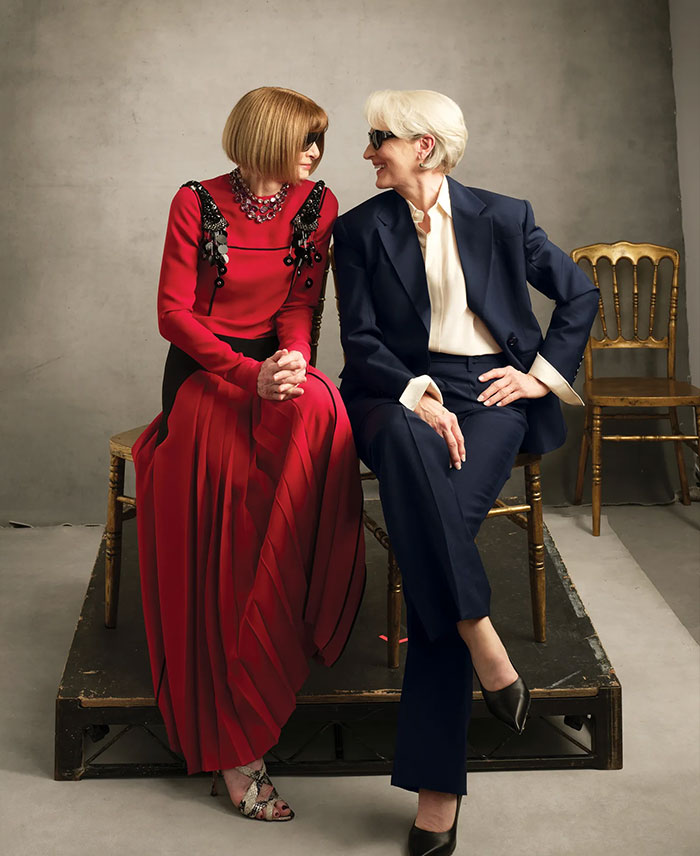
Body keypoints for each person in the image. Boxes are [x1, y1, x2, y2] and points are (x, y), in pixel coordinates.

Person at [333, 89, 599, 855]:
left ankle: (438, 792)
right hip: (392, 392)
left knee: (432, 542)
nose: (367, 151)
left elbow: (578, 293)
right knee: (416, 464)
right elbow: (361, 340)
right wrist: (416, 393)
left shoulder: (504, 216)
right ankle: (484, 641)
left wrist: (539, 377)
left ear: (423, 146)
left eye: (378, 137)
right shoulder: (359, 229)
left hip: (488, 395)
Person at [132, 86, 365, 823]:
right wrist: (247, 375)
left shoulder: (317, 204)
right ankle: (236, 739)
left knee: (324, 410)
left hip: (273, 368)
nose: (317, 154)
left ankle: (292, 608)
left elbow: (300, 302)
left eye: (320, 141)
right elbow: (174, 314)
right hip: (208, 376)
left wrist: (293, 358)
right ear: (266, 141)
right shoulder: (195, 201)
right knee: (234, 502)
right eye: (305, 140)